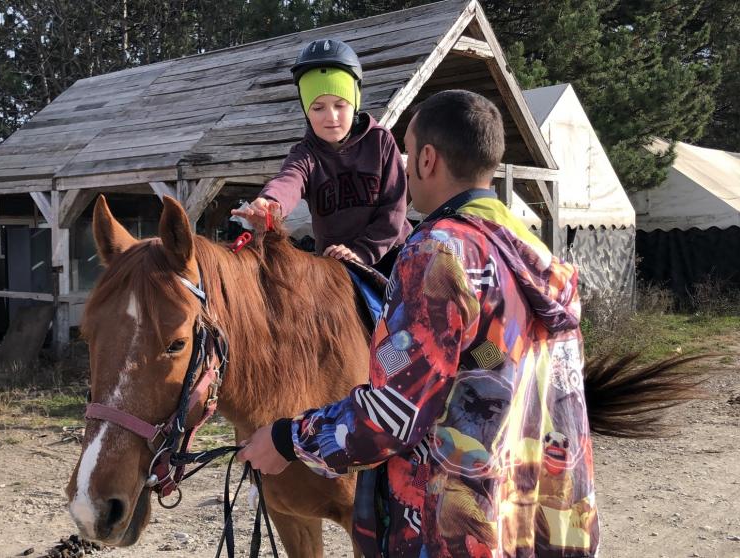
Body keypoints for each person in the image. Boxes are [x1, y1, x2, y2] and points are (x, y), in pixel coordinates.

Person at [239, 90, 599, 557]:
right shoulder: (534, 256)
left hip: (452, 533)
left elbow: (394, 414)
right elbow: (492, 357)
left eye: (409, 152)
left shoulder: (438, 254)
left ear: (428, 159)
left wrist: (288, 439)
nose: (405, 165)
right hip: (536, 526)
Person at [231, 38, 411, 275]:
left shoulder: (380, 141)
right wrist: (270, 203)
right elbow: (289, 180)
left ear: (355, 102)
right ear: (306, 110)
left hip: (391, 257)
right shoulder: (306, 154)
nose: (331, 117)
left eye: (340, 105)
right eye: (318, 108)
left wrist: (361, 253)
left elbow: (394, 211)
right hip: (335, 266)